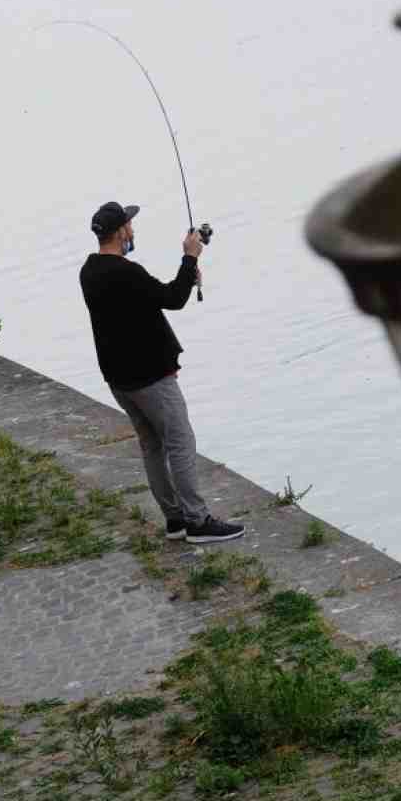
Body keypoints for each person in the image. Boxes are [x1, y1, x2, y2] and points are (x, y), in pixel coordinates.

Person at [79, 201, 243, 544]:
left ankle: (175, 520)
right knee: (181, 442)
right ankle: (197, 521)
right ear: (121, 232)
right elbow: (173, 299)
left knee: (152, 446)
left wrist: (186, 275)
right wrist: (190, 257)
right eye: (129, 224)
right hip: (150, 378)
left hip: (120, 380)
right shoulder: (126, 272)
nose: (133, 229)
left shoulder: (89, 272)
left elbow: (152, 300)